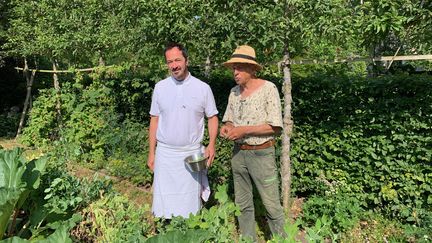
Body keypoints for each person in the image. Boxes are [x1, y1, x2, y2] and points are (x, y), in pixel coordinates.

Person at [220, 45, 286, 240]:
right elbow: (229, 120)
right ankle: (248, 238)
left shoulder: (268, 89)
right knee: (242, 203)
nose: (235, 72)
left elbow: (275, 127)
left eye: (239, 67)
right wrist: (228, 128)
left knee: (271, 204)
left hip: (262, 154)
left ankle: (282, 239)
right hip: (239, 153)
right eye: (233, 68)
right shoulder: (234, 92)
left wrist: (244, 130)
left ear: (252, 69)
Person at [147, 42, 219, 219]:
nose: (174, 65)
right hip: (165, 153)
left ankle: (190, 231)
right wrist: (151, 152)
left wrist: (211, 145)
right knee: (164, 202)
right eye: (170, 61)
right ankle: (166, 232)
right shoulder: (160, 87)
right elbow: (154, 120)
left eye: (177, 60)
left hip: (191, 155)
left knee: (190, 203)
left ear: (187, 60)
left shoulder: (202, 88)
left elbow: (213, 117)